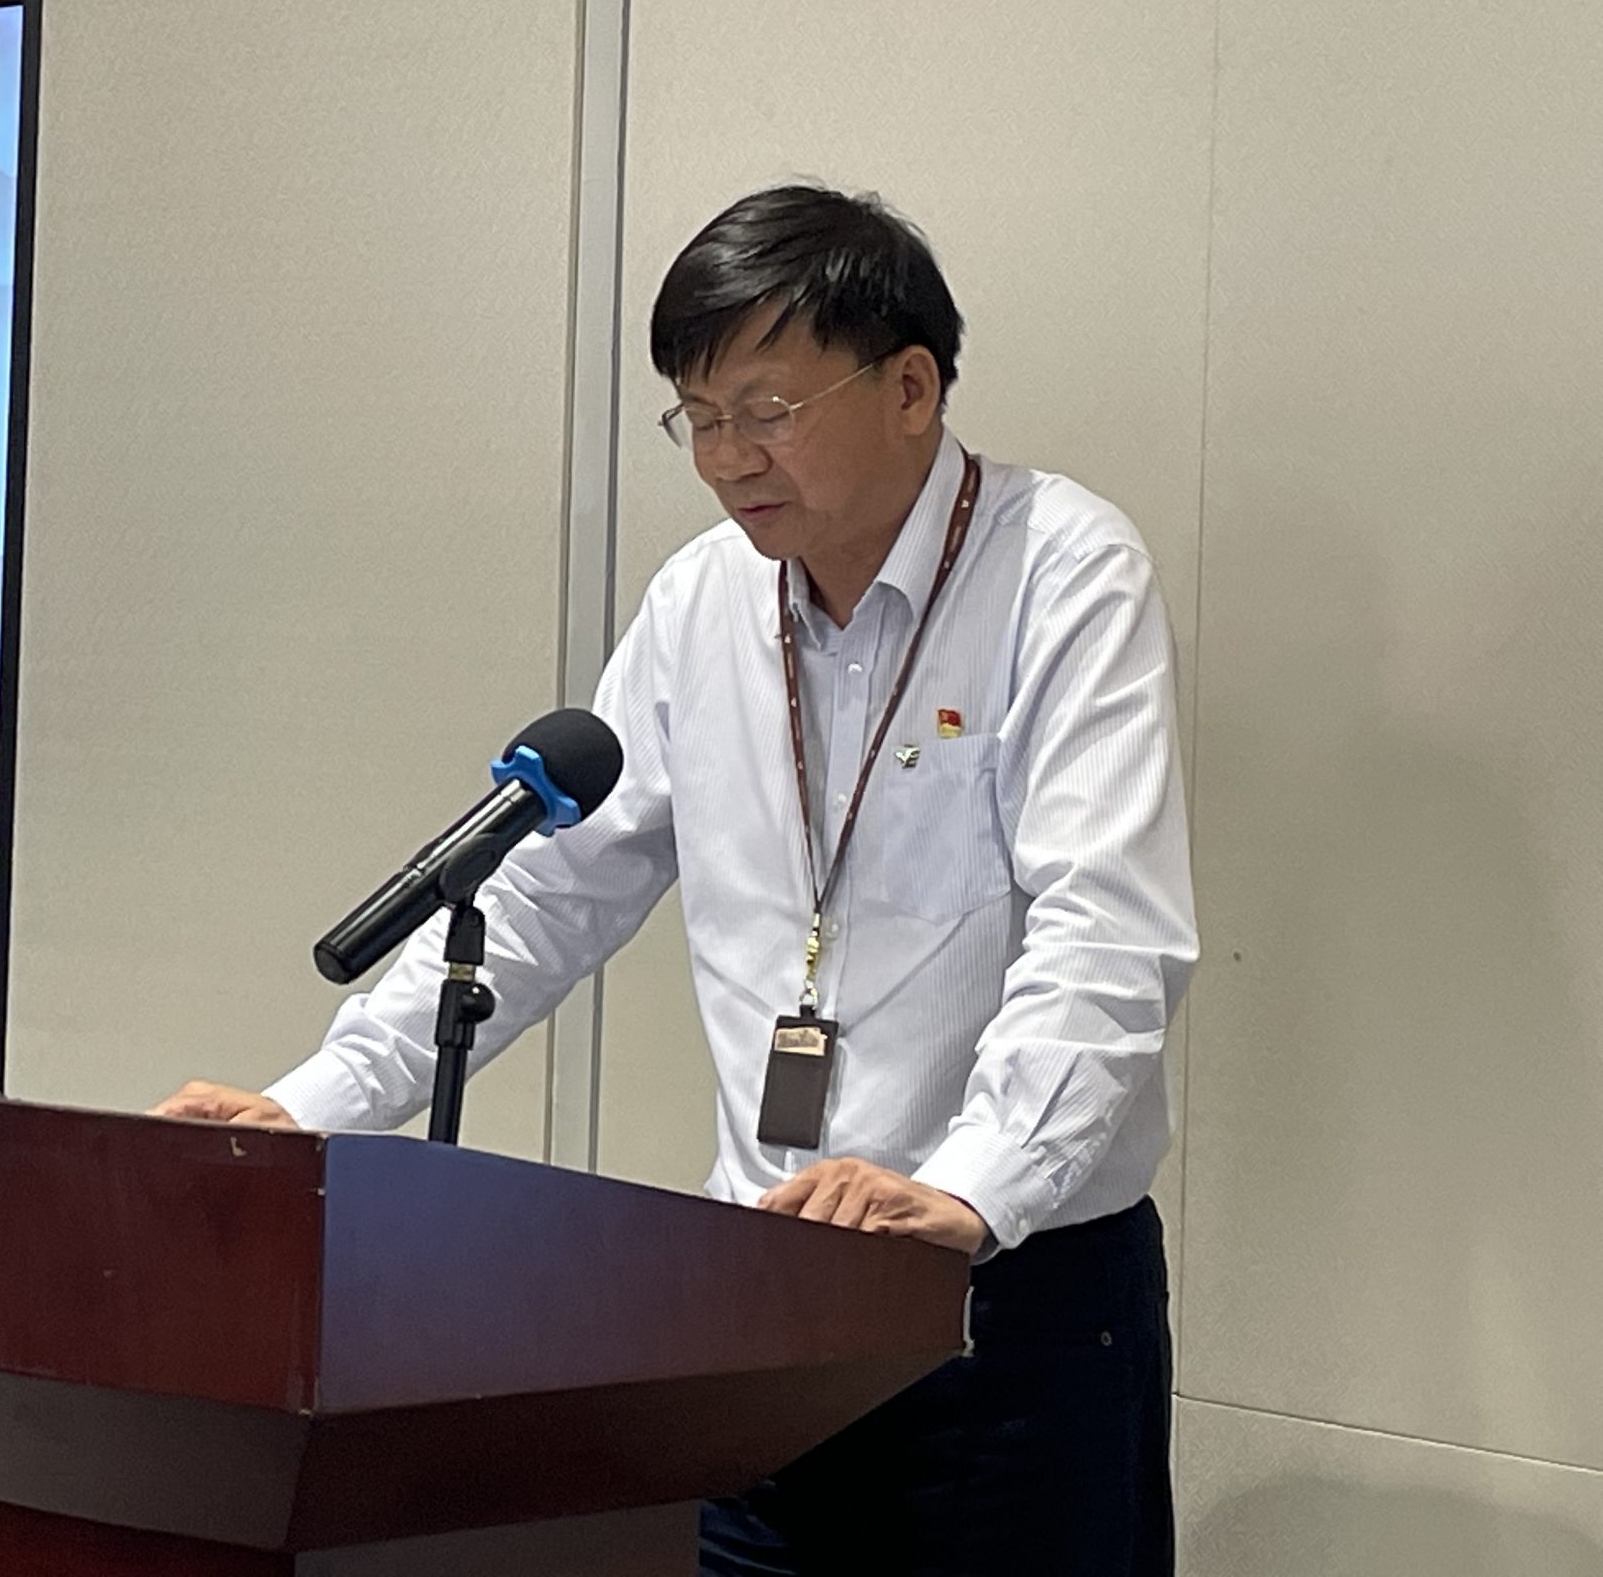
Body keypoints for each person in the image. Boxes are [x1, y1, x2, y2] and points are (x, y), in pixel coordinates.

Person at [155, 183, 1195, 1577]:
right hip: (757, 1290)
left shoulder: (1062, 572)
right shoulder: (703, 599)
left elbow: (1105, 934)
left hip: (1010, 1302)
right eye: (696, 417)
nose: (724, 458)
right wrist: (310, 1112)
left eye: (767, 409)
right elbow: (544, 895)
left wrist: (972, 1191)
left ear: (910, 387)